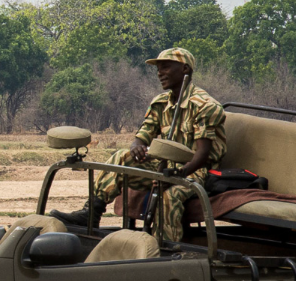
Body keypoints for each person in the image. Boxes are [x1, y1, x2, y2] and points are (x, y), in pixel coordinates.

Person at [49, 47, 226, 242]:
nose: (159, 73)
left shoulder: (205, 105)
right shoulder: (160, 103)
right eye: (158, 69)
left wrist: (179, 174)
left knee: (168, 197)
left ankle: (164, 250)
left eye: (165, 67)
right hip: (165, 165)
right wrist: (137, 147)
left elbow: (202, 154)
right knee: (121, 157)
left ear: (185, 69)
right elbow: (142, 135)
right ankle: (91, 213)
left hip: (195, 171)